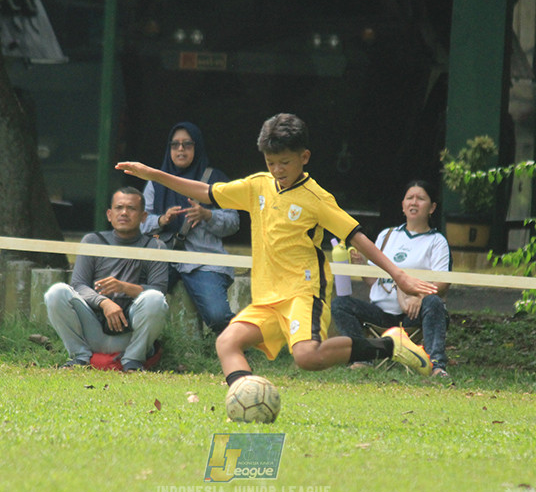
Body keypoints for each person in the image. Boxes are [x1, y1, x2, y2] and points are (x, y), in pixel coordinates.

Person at [117, 113, 439, 387]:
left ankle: (388, 345)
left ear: (305, 157)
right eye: (271, 162)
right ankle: (245, 398)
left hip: (303, 292)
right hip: (268, 299)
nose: (277, 169)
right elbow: (206, 191)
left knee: (307, 357)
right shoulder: (257, 185)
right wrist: (152, 175)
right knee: (226, 342)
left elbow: (357, 236)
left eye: (285, 162)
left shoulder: (317, 198)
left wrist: (399, 276)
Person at [331, 180, 452, 376]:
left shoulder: (437, 241)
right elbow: (373, 282)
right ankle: (362, 358)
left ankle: (436, 365)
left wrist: (419, 297)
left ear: (432, 207)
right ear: (403, 205)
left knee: (434, 302)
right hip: (380, 312)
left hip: (412, 314)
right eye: (409, 198)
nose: (414, 203)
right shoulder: (387, 235)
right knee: (340, 305)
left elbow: (443, 284)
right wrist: (362, 266)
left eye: (421, 199)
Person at [44, 187, 169, 371]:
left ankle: (133, 361)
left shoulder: (155, 246)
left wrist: (124, 287)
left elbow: (158, 290)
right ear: (109, 214)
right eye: (119, 208)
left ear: (143, 217)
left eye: (131, 208)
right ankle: (79, 357)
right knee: (56, 293)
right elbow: (78, 285)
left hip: (131, 336)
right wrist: (104, 302)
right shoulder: (93, 241)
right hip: (93, 330)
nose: (124, 213)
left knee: (155, 299)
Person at [142, 122, 239, 334]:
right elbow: (139, 223)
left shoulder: (215, 180)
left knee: (217, 315)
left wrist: (208, 215)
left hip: (203, 261)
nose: (180, 149)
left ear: (198, 147)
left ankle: (242, 342)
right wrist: (160, 221)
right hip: (163, 258)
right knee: (134, 297)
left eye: (187, 144)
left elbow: (234, 222)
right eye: (175, 144)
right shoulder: (156, 182)